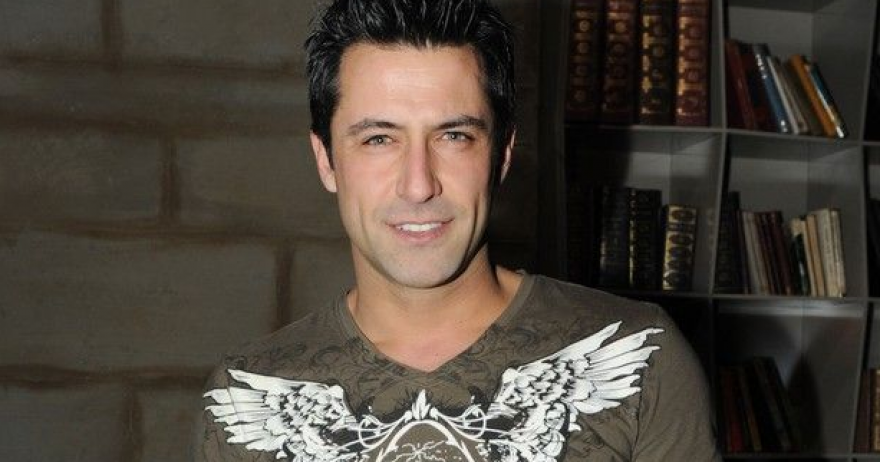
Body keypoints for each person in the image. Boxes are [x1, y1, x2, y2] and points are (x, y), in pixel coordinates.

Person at [195, 0, 721, 460]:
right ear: (326, 159)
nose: (419, 184)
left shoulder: (643, 356)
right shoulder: (243, 395)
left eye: (453, 136)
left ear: (502, 155)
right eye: (379, 139)